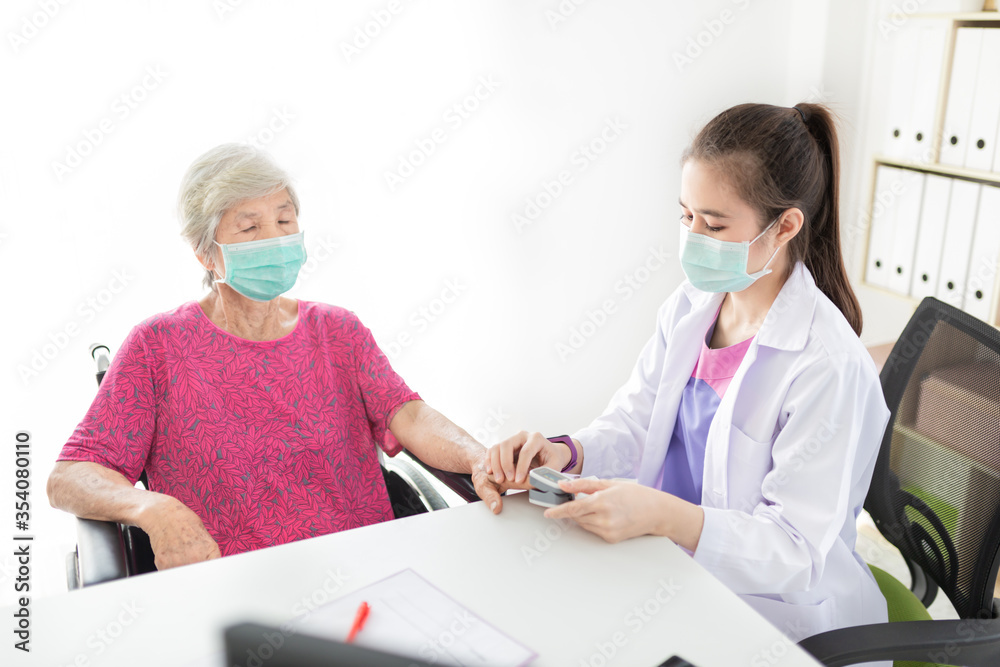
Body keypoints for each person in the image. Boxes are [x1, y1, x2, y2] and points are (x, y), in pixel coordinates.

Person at [487, 103, 890, 643]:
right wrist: (567, 453)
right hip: (670, 567)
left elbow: (793, 550)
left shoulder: (826, 365)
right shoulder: (693, 305)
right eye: (685, 216)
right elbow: (636, 419)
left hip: (771, 616)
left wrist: (666, 516)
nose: (693, 237)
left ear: (785, 225)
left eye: (715, 223)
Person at [48, 143, 505, 570]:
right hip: (235, 591)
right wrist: (151, 507)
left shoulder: (337, 331)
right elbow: (69, 476)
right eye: (250, 227)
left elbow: (408, 415)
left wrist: (481, 458)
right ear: (206, 254)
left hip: (368, 569)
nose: (275, 238)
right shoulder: (158, 346)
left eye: (285, 222)